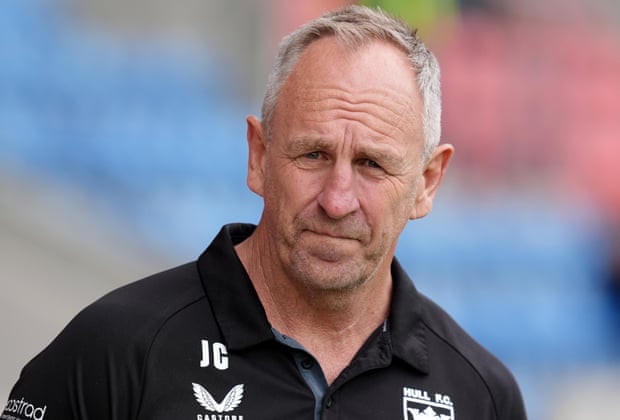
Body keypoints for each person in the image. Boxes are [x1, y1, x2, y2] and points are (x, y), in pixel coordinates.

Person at [2, 5, 527, 420]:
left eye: (372, 164)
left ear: (426, 183)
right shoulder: (115, 349)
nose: (337, 199)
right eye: (313, 155)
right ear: (258, 156)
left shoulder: (482, 395)